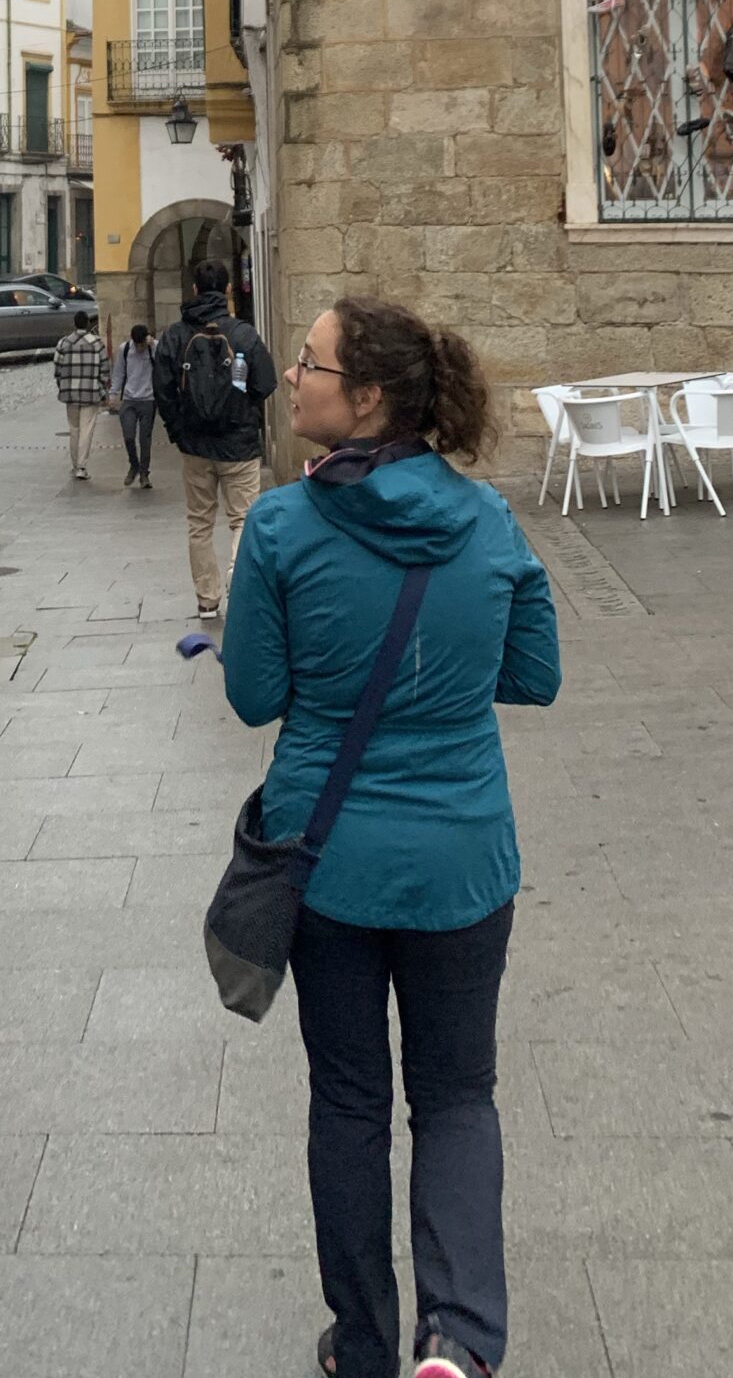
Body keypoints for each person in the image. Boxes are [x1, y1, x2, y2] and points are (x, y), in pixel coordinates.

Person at [222, 299, 561, 1378]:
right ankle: (456, 1339)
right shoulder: (488, 520)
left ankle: (364, 1343)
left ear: (366, 396)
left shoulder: (280, 527)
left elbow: (253, 695)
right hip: (464, 858)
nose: (290, 375)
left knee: (350, 1102)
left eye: (310, 363)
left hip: (328, 865)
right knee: (458, 1096)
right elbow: (536, 672)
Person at [154, 258, 278, 619]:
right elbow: (265, 383)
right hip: (239, 444)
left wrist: (179, 431)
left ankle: (207, 598)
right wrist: (244, 412)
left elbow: (162, 390)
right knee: (243, 519)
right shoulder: (243, 334)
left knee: (199, 522)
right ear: (228, 290)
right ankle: (238, 578)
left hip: (195, 446)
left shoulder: (175, 336)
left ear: (194, 289)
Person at [53, 308, 111, 480]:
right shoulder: (97, 343)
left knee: (74, 429)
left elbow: (58, 369)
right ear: (87, 324)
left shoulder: (64, 343)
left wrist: (62, 385)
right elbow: (105, 368)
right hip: (90, 392)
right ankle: (81, 466)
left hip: (70, 393)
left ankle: (74, 464)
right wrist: (103, 388)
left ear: (74, 324)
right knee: (87, 429)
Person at [109, 320, 158, 489]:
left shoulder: (153, 347)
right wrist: (113, 394)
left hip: (148, 399)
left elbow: (163, 361)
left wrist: (153, 346)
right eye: (138, 345)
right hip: (129, 399)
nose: (140, 348)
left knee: (145, 439)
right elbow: (118, 373)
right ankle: (134, 464)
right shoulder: (124, 350)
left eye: (142, 344)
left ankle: (144, 473)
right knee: (129, 436)